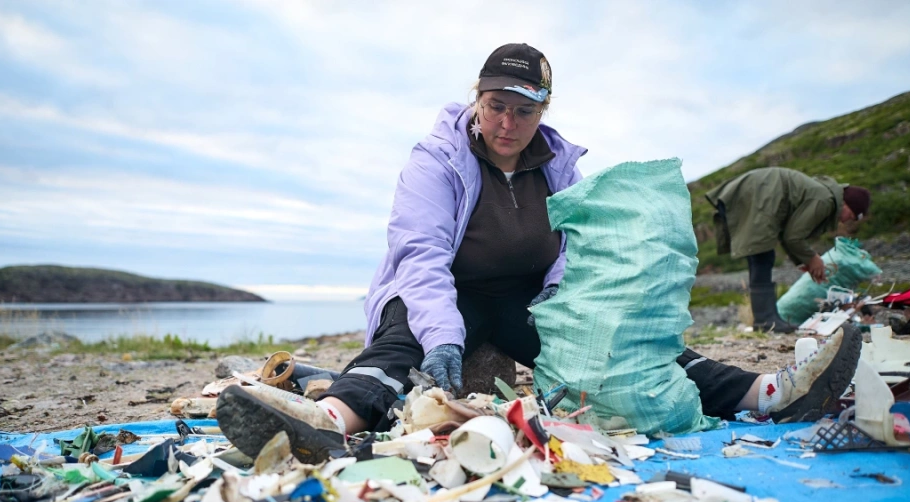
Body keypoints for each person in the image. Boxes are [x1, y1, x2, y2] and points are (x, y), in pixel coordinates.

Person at [217, 44, 863, 461]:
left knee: (625, 351)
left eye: (523, 111)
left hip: (527, 302)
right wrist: (444, 335)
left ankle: (768, 391)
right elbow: (419, 256)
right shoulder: (436, 160)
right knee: (399, 346)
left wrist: (573, 309)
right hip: (441, 295)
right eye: (496, 106)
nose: (507, 124)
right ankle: (323, 418)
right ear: (478, 99)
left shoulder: (559, 168)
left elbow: (572, 256)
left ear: (543, 110)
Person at [705, 167, 871, 333]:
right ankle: (766, 320)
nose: (851, 220)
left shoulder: (821, 195)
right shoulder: (824, 200)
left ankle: (768, 319)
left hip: (753, 193)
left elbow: (788, 232)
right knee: (762, 256)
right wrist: (812, 258)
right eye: (854, 214)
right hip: (755, 195)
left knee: (762, 256)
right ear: (846, 203)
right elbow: (793, 236)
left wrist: (803, 261)